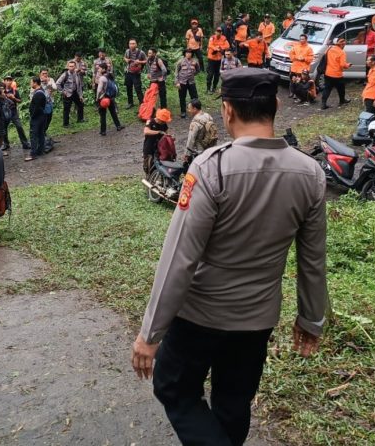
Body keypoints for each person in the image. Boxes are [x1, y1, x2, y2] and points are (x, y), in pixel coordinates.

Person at [131, 69, 327, 446]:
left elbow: (179, 258)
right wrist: (311, 317)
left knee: (173, 387)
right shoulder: (311, 174)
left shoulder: (211, 167)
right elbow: (312, 259)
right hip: (256, 320)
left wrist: (150, 333)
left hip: (199, 317)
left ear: (227, 112)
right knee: (233, 403)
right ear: (277, 107)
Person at [2, 75, 31, 150]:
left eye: (10, 80)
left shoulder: (15, 91)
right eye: (7, 80)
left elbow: (20, 101)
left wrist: (13, 98)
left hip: (13, 111)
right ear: (4, 81)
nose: (8, 82)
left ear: (12, 81)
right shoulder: (1, 91)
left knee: (19, 126)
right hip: (4, 112)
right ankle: (6, 144)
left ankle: (25, 143)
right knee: (4, 128)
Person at [321, 38, 352, 110]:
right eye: (344, 44)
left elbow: (325, 56)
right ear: (341, 44)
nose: (344, 45)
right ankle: (342, 101)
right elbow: (342, 65)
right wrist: (348, 65)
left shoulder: (329, 49)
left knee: (327, 89)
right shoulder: (342, 52)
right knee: (341, 89)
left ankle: (323, 104)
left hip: (328, 73)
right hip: (337, 74)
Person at [183, 99, 216, 164]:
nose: (188, 111)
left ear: (195, 109)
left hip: (200, 149)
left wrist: (187, 154)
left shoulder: (195, 122)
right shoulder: (208, 116)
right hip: (210, 145)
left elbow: (191, 139)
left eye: (189, 109)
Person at [96, 64, 125, 135]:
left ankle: (103, 131)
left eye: (99, 68)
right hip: (110, 97)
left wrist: (97, 98)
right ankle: (118, 126)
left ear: (103, 69)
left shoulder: (102, 78)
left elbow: (99, 90)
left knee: (103, 115)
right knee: (113, 112)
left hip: (103, 98)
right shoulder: (110, 75)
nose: (98, 70)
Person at [142, 108, 171, 174]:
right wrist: (158, 132)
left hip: (159, 148)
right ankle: (149, 178)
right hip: (149, 147)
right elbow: (146, 131)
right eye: (163, 121)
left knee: (159, 164)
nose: (164, 122)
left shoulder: (164, 124)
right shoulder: (151, 121)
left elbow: (166, 133)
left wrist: (169, 137)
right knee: (148, 165)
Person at [56, 59, 85, 127]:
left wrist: (80, 95)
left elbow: (79, 85)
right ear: (68, 67)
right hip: (67, 94)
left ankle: (80, 119)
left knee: (80, 104)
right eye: (70, 66)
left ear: (75, 67)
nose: (71, 67)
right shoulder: (65, 74)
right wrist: (63, 91)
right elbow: (57, 83)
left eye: (72, 66)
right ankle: (65, 124)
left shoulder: (77, 74)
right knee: (67, 109)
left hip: (75, 92)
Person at [26, 76, 48, 161]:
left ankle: (33, 154)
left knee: (34, 135)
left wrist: (33, 116)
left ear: (35, 83)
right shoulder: (41, 91)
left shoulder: (38, 93)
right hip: (42, 116)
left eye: (31, 82)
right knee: (40, 134)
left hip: (37, 117)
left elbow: (37, 108)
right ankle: (40, 150)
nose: (30, 83)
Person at [175, 48, 200, 118]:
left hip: (191, 82)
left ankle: (196, 111)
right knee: (182, 97)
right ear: (185, 54)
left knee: (194, 97)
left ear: (192, 54)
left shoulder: (195, 61)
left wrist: (192, 74)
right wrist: (177, 82)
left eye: (190, 53)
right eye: (187, 53)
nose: (188, 54)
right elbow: (176, 72)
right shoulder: (180, 61)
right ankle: (183, 112)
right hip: (182, 82)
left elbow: (198, 70)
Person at [124, 39, 148, 108]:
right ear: (128, 45)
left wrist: (139, 62)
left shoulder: (141, 52)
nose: (131, 45)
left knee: (138, 88)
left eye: (133, 43)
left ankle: (142, 103)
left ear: (136, 44)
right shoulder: (127, 51)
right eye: (130, 43)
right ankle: (130, 103)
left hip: (136, 73)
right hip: (128, 72)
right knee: (128, 88)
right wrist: (126, 60)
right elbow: (124, 57)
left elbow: (146, 60)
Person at [206, 27, 230, 93]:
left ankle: (214, 88)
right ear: (215, 32)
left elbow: (228, 46)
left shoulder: (224, 38)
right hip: (211, 58)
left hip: (219, 59)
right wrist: (216, 48)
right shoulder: (212, 38)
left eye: (220, 31)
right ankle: (208, 89)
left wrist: (221, 48)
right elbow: (210, 45)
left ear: (221, 32)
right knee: (210, 74)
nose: (219, 32)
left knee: (217, 74)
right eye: (217, 31)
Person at [39, 68, 57, 137]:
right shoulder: (38, 81)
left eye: (46, 73)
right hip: (41, 103)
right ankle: (41, 133)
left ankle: (44, 131)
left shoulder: (50, 79)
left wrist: (48, 82)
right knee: (43, 118)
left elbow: (55, 88)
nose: (45, 75)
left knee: (49, 117)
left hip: (50, 102)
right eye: (43, 73)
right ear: (40, 74)